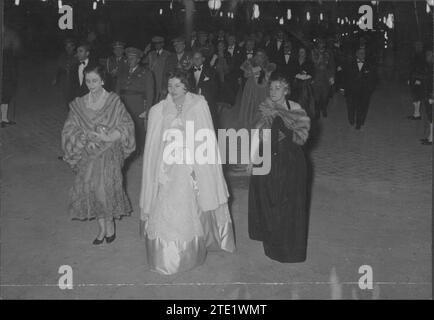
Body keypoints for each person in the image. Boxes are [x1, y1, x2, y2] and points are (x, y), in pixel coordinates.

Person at [139, 70, 235, 275]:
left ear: (186, 86)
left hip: (190, 163)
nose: (172, 90)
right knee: (165, 202)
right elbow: (155, 142)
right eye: (170, 85)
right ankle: (165, 253)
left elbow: (206, 136)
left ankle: (189, 251)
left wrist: (199, 165)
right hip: (167, 163)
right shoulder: (159, 109)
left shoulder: (198, 105)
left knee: (188, 202)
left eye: (177, 86)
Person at [61, 65, 135, 245]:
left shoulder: (114, 101)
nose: (91, 84)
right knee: (91, 189)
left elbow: (127, 125)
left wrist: (108, 136)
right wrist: (85, 137)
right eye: (88, 81)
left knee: (105, 190)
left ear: (102, 81)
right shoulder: (79, 104)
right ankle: (101, 227)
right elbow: (69, 129)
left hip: (108, 151)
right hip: (89, 152)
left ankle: (110, 224)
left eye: (95, 81)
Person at [248, 75, 310, 263]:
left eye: (278, 88)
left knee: (288, 202)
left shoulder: (296, 108)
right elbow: (256, 135)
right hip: (267, 159)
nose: (273, 91)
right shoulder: (265, 108)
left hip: (290, 161)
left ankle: (286, 244)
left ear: (286, 90)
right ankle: (271, 240)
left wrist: (287, 127)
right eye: (271, 88)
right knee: (269, 201)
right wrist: (251, 160)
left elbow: (303, 137)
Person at [116, 47, 154, 156]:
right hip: (123, 103)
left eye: (133, 58)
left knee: (138, 128)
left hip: (137, 104)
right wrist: (115, 104)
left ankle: (139, 151)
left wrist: (147, 110)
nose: (130, 60)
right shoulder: (122, 72)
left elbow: (150, 93)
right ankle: (125, 148)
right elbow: (117, 89)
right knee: (123, 126)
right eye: (128, 58)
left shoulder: (146, 73)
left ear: (138, 60)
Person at [238, 50, 276, 129]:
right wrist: (255, 69)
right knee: (250, 104)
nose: (259, 57)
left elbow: (270, 76)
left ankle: (263, 123)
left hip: (263, 87)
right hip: (251, 86)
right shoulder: (250, 62)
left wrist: (265, 72)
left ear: (264, 57)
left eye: (261, 56)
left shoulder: (268, 64)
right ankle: (249, 122)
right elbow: (245, 75)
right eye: (257, 55)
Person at [343, 47, 377, 130]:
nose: (362, 55)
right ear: (356, 54)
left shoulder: (370, 65)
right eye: (360, 53)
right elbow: (345, 77)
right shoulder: (350, 64)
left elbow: (374, 78)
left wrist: (370, 89)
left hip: (364, 90)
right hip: (351, 90)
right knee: (351, 106)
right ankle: (351, 119)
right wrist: (343, 88)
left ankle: (359, 122)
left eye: (363, 53)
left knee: (362, 107)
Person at [189, 50, 218, 127]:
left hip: (207, 104)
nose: (197, 60)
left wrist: (203, 94)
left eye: (199, 58)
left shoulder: (211, 71)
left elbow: (215, 88)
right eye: (195, 58)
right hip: (192, 105)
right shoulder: (188, 73)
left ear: (203, 59)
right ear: (192, 60)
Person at [311, 38, 335, 119]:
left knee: (325, 97)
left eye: (323, 45)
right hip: (316, 79)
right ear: (317, 45)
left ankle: (324, 108)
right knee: (316, 97)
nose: (321, 47)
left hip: (326, 79)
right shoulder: (313, 53)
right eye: (320, 45)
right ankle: (317, 111)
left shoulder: (328, 54)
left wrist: (332, 77)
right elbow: (311, 66)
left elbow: (332, 66)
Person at [143, 36, 171, 102]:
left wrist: (167, 84)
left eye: (159, 43)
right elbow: (142, 62)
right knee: (152, 100)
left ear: (162, 44)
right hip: (152, 81)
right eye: (155, 43)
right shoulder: (150, 54)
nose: (157, 45)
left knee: (162, 101)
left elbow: (169, 70)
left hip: (163, 81)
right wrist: (145, 52)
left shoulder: (168, 54)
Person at [52, 38, 77, 106]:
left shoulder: (77, 56)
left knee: (75, 98)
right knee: (67, 98)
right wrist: (56, 78)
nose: (68, 48)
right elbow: (59, 68)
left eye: (70, 46)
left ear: (73, 47)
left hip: (74, 81)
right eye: (66, 46)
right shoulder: (62, 56)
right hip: (65, 81)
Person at [407, 41, 426, 120]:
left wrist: (418, 79)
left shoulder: (421, 56)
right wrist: (409, 78)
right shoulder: (416, 55)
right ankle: (416, 114)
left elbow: (421, 68)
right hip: (413, 77)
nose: (416, 47)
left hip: (417, 78)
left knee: (416, 96)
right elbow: (412, 67)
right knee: (415, 96)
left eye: (418, 46)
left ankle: (417, 114)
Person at [421, 49, 433, 146]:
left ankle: (431, 138)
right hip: (427, 94)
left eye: (429, 55)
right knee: (429, 117)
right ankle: (430, 137)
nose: (427, 56)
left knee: (431, 117)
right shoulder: (428, 66)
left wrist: (431, 96)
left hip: (430, 95)